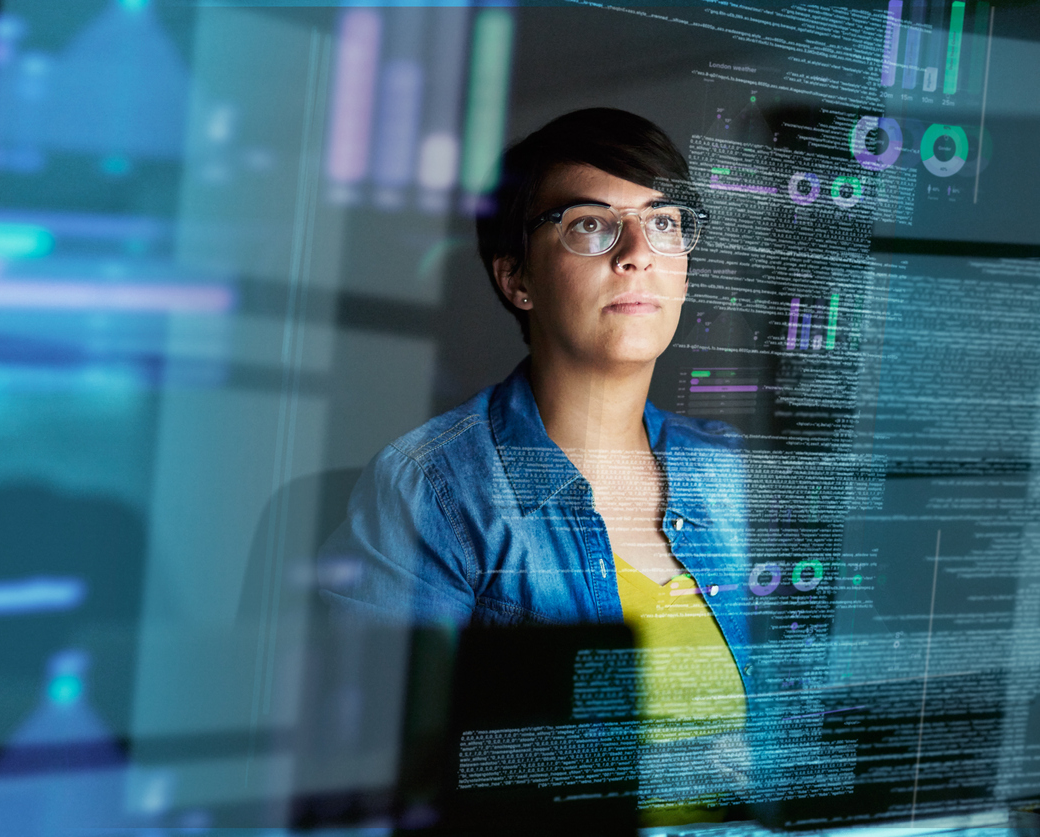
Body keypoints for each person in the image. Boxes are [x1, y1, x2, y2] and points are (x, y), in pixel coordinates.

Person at [317, 109, 755, 818]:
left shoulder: (732, 472)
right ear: (517, 278)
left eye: (665, 221)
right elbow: (371, 773)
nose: (639, 251)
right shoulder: (435, 486)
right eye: (590, 223)